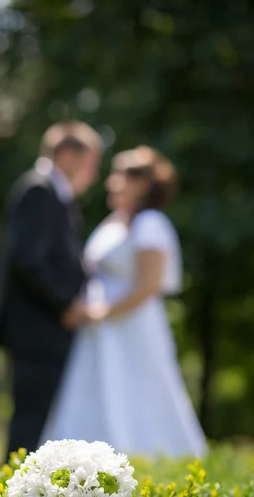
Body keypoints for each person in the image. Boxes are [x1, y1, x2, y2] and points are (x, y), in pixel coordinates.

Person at [41, 146, 207, 458]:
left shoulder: (151, 224)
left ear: (143, 184)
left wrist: (102, 313)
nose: (111, 182)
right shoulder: (114, 222)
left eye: (120, 176)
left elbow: (148, 286)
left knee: (138, 393)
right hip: (100, 331)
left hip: (132, 327)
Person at [0, 121, 102, 459]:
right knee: (29, 425)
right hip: (37, 331)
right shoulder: (39, 190)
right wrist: (67, 304)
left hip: (45, 331)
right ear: (67, 155)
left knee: (39, 423)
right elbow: (28, 260)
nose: (93, 175)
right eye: (90, 164)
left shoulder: (55, 195)